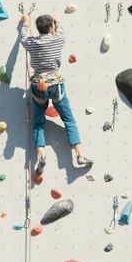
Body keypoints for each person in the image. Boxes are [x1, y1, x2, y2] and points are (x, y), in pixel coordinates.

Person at [19, 11, 89, 174]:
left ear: (38, 28)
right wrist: (57, 21)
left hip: (38, 86)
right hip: (55, 85)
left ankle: (41, 157)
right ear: (51, 27)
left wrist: (25, 22)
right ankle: (79, 154)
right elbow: (61, 30)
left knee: (38, 124)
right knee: (69, 120)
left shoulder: (31, 42)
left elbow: (23, 37)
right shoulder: (58, 39)